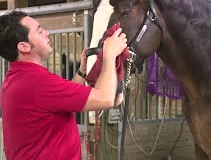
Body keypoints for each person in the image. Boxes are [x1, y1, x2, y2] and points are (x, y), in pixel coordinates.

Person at [0, 11, 127, 160]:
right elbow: (105, 98)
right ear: (24, 46)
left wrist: (82, 71)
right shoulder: (38, 83)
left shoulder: (16, 78)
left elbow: (61, 99)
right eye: (39, 31)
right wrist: (110, 54)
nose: (46, 33)